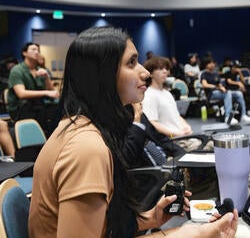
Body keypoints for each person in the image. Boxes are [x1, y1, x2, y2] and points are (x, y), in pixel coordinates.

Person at [29, 27, 238, 238]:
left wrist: (152, 218)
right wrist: (188, 236)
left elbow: (101, 225)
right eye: (131, 63)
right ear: (103, 74)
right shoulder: (86, 148)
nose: (145, 73)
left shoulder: (80, 128)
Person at [7, 42, 59, 133]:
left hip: (38, 105)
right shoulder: (17, 70)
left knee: (58, 107)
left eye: (38, 50)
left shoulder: (40, 70)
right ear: (24, 53)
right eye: (33, 49)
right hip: (20, 107)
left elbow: (52, 91)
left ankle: (51, 135)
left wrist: (46, 77)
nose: (37, 52)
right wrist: (46, 93)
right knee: (32, 107)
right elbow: (21, 94)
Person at [200, 56, 245, 125]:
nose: (212, 64)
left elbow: (219, 84)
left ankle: (243, 115)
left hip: (219, 92)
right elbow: (204, 85)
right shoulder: (204, 74)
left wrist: (221, 87)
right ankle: (228, 117)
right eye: (210, 63)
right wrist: (217, 87)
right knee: (228, 93)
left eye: (213, 63)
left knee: (239, 93)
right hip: (211, 94)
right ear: (206, 65)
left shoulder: (215, 74)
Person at [224, 60, 250, 124]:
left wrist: (240, 72)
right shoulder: (227, 73)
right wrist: (238, 83)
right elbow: (229, 81)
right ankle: (228, 117)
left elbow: (243, 81)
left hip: (236, 91)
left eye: (238, 67)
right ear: (232, 67)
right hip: (228, 91)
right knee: (230, 93)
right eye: (236, 67)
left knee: (241, 94)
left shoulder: (237, 73)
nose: (237, 68)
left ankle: (243, 115)